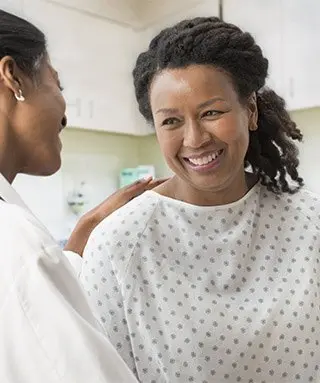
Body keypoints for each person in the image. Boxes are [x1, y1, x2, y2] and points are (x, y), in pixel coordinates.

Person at [80, 16, 320, 383]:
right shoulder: (118, 245)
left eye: (211, 113)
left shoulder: (310, 220)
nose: (194, 139)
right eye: (171, 121)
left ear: (250, 111)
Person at [0, 9, 165, 382]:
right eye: (57, 84)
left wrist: (79, 239)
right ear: (13, 78)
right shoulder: (14, 238)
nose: (65, 114)